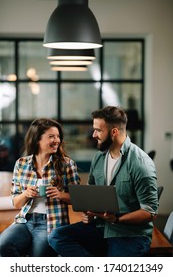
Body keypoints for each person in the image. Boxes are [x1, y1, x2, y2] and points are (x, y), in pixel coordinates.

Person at [48, 106, 159, 257]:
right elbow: (92, 193)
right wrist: (89, 213)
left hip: (129, 235)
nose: (94, 135)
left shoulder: (140, 163)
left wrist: (117, 219)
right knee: (56, 237)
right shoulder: (99, 157)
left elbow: (150, 212)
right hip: (100, 227)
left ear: (114, 132)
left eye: (98, 130)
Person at [0, 118, 80, 257]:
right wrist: (26, 194)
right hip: (24, 221)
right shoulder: (21, 163)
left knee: (38, 258)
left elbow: (79, 199)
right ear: (37, 139)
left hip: (51, 222)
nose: (57, 140)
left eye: (58, 136)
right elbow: (16, 202)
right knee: (3, 246)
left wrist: (59, 194)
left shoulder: (66, 164)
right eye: (51, 136)